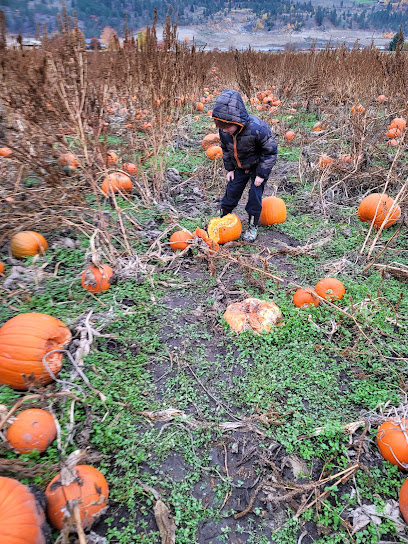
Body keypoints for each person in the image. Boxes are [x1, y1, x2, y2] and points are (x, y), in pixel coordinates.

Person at [212, 89, 278, 242]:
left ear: (236, 121)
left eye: (227, 127)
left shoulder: (258, 128)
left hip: (257, 168)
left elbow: (270, 152)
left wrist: (261, 175)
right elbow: (226, 150)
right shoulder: (225, 132)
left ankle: (253, 225)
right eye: (221, 127)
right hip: (239, 167)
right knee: (232, 191)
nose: (224, 130)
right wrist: (229, 169)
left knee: (254, 196)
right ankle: (223, 219)